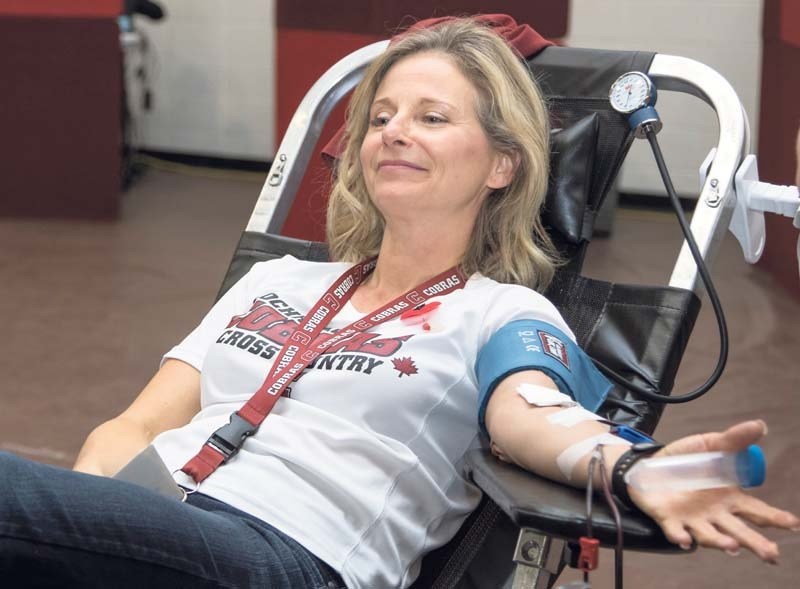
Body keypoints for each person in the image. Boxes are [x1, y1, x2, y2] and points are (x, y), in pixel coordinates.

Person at [1, 17, 797, 589]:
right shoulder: (277, 279)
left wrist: (628, 465)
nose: (392, 132)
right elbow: (135, 427)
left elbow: (535, 415)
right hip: (150, 522)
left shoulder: (500, 311)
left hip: (286, 556)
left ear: (502, 166)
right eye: (380, 117)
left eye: (431, 118)